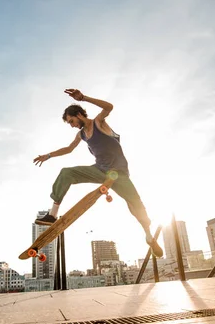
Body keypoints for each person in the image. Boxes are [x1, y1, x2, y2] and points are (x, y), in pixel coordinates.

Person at [33, 89, 163, 257]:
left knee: (137, 205)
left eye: (71, 121)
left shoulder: (99, 123)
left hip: (119, 173)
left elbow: (109, 107)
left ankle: (149, 236)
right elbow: (69, 149)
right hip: (100, 171)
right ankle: (52, 215)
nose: (72, 125)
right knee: (66, 173)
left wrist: (84, 98)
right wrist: (48, 155)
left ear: (79, 115)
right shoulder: (81, 135)